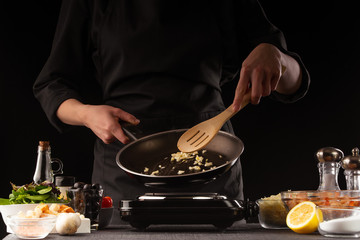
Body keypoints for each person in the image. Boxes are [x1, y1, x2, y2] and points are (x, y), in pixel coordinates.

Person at [34, 0, 309, 224]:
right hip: (125, 163)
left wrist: (276, 55)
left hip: (212, 159)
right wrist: (86, 114)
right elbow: (51, 85)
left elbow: (294, 83)